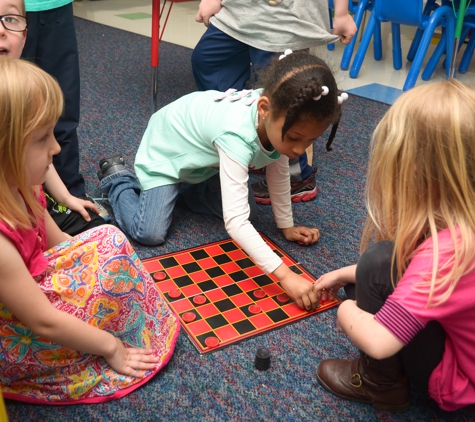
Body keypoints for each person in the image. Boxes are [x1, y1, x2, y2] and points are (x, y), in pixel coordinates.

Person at [99, 51, 347, 311]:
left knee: (248, 212)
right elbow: (235, 223)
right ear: (264, 109)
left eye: (310, 140)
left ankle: (182, 191)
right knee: (149, 233)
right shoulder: (237, 134)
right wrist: (285, 276)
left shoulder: (282, 106)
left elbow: (278, 167)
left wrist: (286, 225)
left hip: (204, 163)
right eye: (295, 138)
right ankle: (118, 179)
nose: (299, 149)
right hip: (166, 154)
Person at [0, 57, 179, 404]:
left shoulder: (23, 183)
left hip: (38, 282)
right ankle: (100, 343)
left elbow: (59, 244)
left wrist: (93, 266)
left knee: (107, 237)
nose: (56, 148)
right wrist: (111, 346)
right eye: (41, 139)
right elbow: (43, 322)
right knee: (105, 279)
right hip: (18, 332)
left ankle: (110, 318)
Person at [313, 80, 475, 412]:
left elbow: (379, 341)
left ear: (412, 170)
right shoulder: (462, 221)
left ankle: (380, 385)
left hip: (461, 382)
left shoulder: (447, 255)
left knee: (375, 265)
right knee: (370, 273)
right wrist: (345, 274)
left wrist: (346, 314)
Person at [192, 0, 356, 204]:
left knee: (287, 94)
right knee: (208, 60)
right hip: (239, 11)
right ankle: (251, 142)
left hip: (286, 20)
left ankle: (295, 176)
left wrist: (341, 13)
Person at [1, 0, 107, 235]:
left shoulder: (27, 87)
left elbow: (37, 156)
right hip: (8, 215)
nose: (1, 30)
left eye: (10, 20)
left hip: (29, 202)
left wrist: (66, 197)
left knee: (99, 231)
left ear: (24, 35)